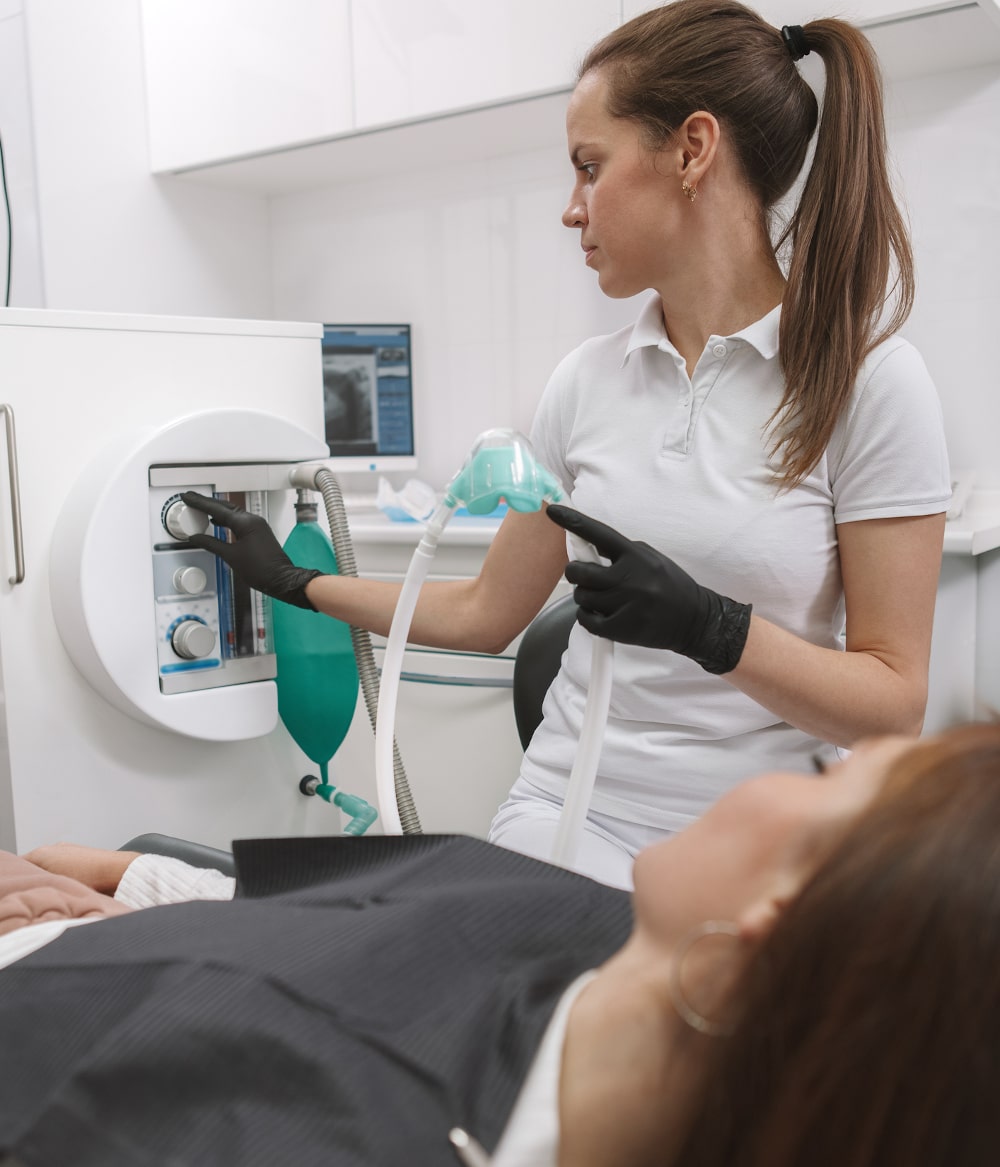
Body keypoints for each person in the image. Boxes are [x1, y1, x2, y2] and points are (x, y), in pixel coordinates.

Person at [182, 0, 951, 889]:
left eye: (591, 166)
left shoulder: (872, 384)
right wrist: (295, 582)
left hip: (760, 835)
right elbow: (484, 611)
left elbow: (893, 704)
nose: (571, 209)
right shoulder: (586, 382)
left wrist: (715, 628)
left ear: (693, 150)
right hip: (568, 809)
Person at [0, 721, 997, 1166]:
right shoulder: (592, 924)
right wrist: (132, 897)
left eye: (827, 779)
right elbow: (370, 920)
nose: (799, 769)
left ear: (760, 941)